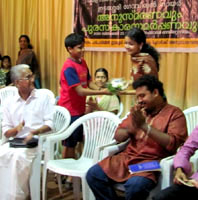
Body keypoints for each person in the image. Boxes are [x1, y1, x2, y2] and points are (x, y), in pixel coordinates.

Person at [86, 75, 187, 200]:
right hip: (128, 158)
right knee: (93, 174)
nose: (139, 100)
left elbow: (173, 143)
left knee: (135, 186)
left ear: (155, 92)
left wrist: (144, 126)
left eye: (142, 96)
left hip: (152, 162)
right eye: (137, 97)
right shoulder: (138, 111)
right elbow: (118, 136)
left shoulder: (174, 113)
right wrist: (131, 127)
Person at [58, 33, 112, 185]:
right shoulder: (68, 67)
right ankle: (65, 175)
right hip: (69, 110)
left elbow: (89, 83)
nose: (83, 50)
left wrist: (105, 88)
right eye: (79, 47)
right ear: (69, 49)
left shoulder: (83, 62)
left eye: (83, 47)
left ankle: (68, 175)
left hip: (80, 109)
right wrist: (102, 92)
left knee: (74, 141)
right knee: (69, 144)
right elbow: (80, 91)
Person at [0, 64, 54, 199]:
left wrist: (35, 132)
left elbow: (50, 123)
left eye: (32, 75)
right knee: (2, 155)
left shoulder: (43, 97)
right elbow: (6, 131)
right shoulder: (9, 102)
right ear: (17, 83)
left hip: (36, 141)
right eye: (28, 77)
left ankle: (15, 197)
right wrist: (16, 129)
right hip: (15, 142)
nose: (32, 79)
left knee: (18, 158)